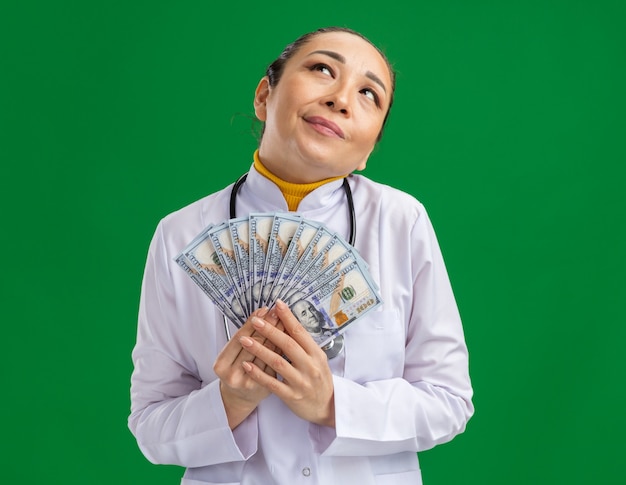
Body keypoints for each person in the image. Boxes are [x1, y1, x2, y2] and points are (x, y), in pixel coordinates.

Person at [129, 26, 474, 485]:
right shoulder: (181, 235)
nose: (341, 99)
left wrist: (332, 402)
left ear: (368, 150)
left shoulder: (401, 221)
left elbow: (448, 402)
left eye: (369, 94)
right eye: (321, 69)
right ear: (263, 96)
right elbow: (151, 427)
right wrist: (229, 401)